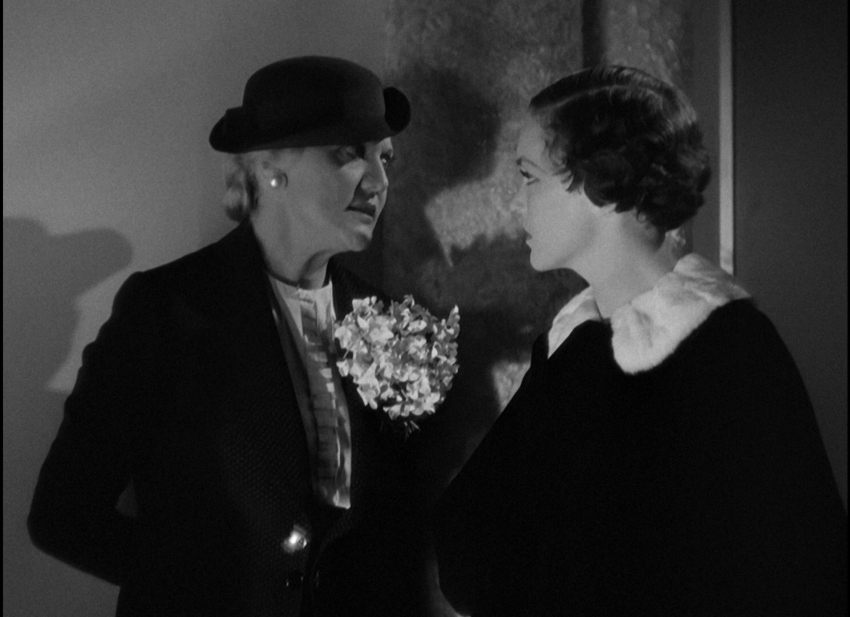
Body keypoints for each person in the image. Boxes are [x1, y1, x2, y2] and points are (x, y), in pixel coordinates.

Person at [433, 66, 848, 616]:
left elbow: (800, 575)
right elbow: (464, 549)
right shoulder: (572, 348)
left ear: (600, 182)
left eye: (530, 177)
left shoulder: (730, 351)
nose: (519, 205)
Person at [28, 56, 430, 617]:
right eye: (348, 154)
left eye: (385, 158)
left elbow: (390, 526)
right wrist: (204, 592)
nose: (380, 183)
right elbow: (62, 516)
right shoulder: (167, 310)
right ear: (269, 168)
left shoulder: (388, 321)